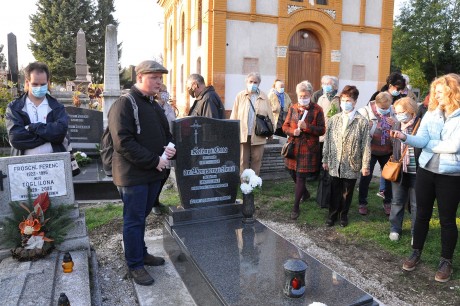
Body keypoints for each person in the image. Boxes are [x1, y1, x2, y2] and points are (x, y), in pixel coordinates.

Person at [108, 60, 176, 286]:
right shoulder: (124, 104)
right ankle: (135, 264)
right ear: (139, 78)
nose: (159, 82)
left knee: (141, 217)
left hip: (152, 173)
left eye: (160, 78)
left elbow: (165, 133)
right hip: (133, 174)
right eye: (154, 77)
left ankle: (142, 252)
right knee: (134, 219)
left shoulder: (153, 104)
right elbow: (123, 142)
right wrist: (154, 160)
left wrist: (170, 148)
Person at [393, 73, 460, 283]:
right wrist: (406, 137)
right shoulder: (431, 113)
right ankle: (415, 252)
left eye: (440, 92)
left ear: (452, 91)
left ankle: (446, 261)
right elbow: (421, 139)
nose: (436, 96)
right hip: (426, 170)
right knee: (421, 214)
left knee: (447, 220)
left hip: (451, 175)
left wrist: (428, 144)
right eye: (435, 92)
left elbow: (453, 147)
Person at [322, 85, 371, 227]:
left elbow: (366, 145)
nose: (345, 103)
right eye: (343, 100)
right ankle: (332, 215)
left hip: (352, 162)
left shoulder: (361, 121)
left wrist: (365, 165)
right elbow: (328, 140)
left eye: (348, 100)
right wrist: (325, 159)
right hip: (335, 162)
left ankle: (343, 215)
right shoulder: (334, 119)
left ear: (355, 102)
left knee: (347, 192)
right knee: (334, 190)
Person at [5, 62, 69, 156]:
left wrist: (33, 127)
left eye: (43, 84)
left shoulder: (57, 107)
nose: (39, 87)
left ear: (48, 82)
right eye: (35, 84)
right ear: (27, 82)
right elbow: (16, 138)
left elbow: (60, 133)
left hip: (54, 163)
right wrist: (49, 135)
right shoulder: (14, 108)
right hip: (23, 164)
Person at [282, 81, 325, 220]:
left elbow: (321, 130)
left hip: (308, 149)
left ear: (311, 95)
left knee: (300, 176)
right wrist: (292, 131)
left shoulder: (317, 109)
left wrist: (307, 127)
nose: (302, 98)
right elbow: (285, 126)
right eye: (300, 95)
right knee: (292, 173)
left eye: (305, 95)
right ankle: (305, 193)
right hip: (294, 147)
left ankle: (295, 207)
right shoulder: (293, 108)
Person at [357, 92, 396, 216]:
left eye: (387, 107)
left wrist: (394, 123)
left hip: (387, 150)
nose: (385, 110)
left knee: (389, 177)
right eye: (383, 108)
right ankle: (362, 203)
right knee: (366, 176)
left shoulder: (394, 111)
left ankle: (388, 202)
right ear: (376, 104)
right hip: (371, 150)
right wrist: (367, 126)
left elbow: (400, 129)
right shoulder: (365, 111)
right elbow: (358, 130)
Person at [388, 97, 421, 241]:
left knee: (416, 204)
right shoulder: (396, 125)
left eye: (402, 112)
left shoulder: (420, 125)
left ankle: (416, 232)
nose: (399, 115)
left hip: (417, 171)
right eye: (397, 112)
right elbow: (393, 144)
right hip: (399, 170)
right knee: (397, 201)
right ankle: (395, 229)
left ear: (411, 111)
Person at [230, 72, 274, 176]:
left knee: (257, 159)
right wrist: (232, 131)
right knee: (242, 160)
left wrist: (272, 131)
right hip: (243, 133)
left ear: (259, 83)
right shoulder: (240, 96)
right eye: (251, 81)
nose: (253, 84)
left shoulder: (264, 97)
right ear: (247, 82)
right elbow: (234, 114)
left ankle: (254, 182)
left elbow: (270, 115)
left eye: (255, 82)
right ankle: (244, 183)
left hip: (259, 133)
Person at [152, 84, 176, 215]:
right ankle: (153, 202)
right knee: (158, 176)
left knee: (165, 175)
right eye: (162, 91)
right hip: (158, 147)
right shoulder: (153, 106)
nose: (165, 93)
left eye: (166, 91)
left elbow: (173, 122)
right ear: (157, 93)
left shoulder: (168, 107)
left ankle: (155, 200)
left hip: (169, 145)